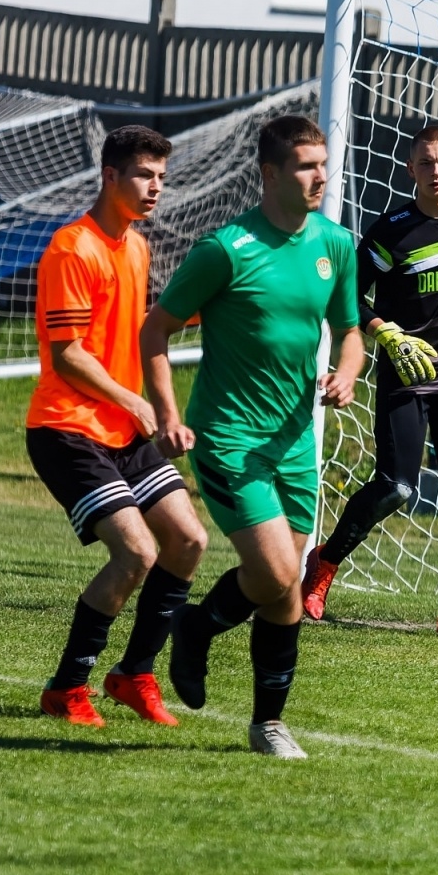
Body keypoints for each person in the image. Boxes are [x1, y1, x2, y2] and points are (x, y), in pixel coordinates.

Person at [141, 115, 364, 759]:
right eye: (304, 165)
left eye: (323, 163)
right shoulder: (226, 250)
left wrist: (346, 374)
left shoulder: (336, 244)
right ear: (269, 174)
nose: (319, 175)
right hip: (230, 438)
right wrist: (165, 412)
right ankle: (196, 629)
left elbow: (349, 330)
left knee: (283, 585)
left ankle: (266, 723)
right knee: (272, 574)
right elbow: (155, 332)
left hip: (296, 442)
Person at [300, 123, 438, 639]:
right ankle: (324, 564)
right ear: (411, 170)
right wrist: (387, 333)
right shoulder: (391, 232)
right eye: (426, 162)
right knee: (397, 487)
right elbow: (349, 296)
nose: (437, 171)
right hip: (408, 373)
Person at [28, 125, 207, 728]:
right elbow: (67, 355)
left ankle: (133, 674)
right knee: (136, 553)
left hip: (121, 430)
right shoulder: (73, 247)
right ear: (110, 176)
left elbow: (139, 330)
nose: (156, 187)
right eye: (144, 175)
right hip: (66, 428)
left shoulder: (135, 246)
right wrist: (133, 401)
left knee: (189, 541)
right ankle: (68, 687)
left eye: (161, 176)